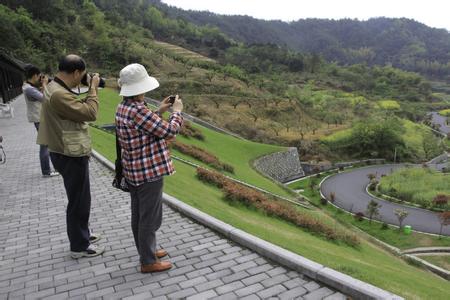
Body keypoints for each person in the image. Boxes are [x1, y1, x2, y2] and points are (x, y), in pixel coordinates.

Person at [115, 63, 183, 273]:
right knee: (149, 217)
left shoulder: (124, 107)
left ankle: (147, 250)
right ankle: (148, 260)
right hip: (148, 172)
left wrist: (160, 110)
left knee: (139, 214)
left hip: (133, 170)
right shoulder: (138, 111)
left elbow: (143, 126)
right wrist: (177, 112)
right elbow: (170, 131)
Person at [37, 54, 104, 258]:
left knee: (80, 197)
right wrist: (93, 87)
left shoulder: (52, 87)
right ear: (76, 72)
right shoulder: (58, 93)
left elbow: (72, 110)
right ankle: (79, 246)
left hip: (62, 150)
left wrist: (85, 89)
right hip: (70, 153)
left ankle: (83, 233)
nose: (82, 78)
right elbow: (90, 113)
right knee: (79, 200)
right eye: (82, 75)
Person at [22, 64, 58, 177]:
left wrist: (43, 87)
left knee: (47, 144)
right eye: (39, 76)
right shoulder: (29, 89)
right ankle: (46, 171)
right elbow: (46, 99)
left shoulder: (28, 87)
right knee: (45, 145)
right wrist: (45, 85)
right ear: (35, 75)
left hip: (40, 118)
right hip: (40, 118)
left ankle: (51, 169)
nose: (39, 78)